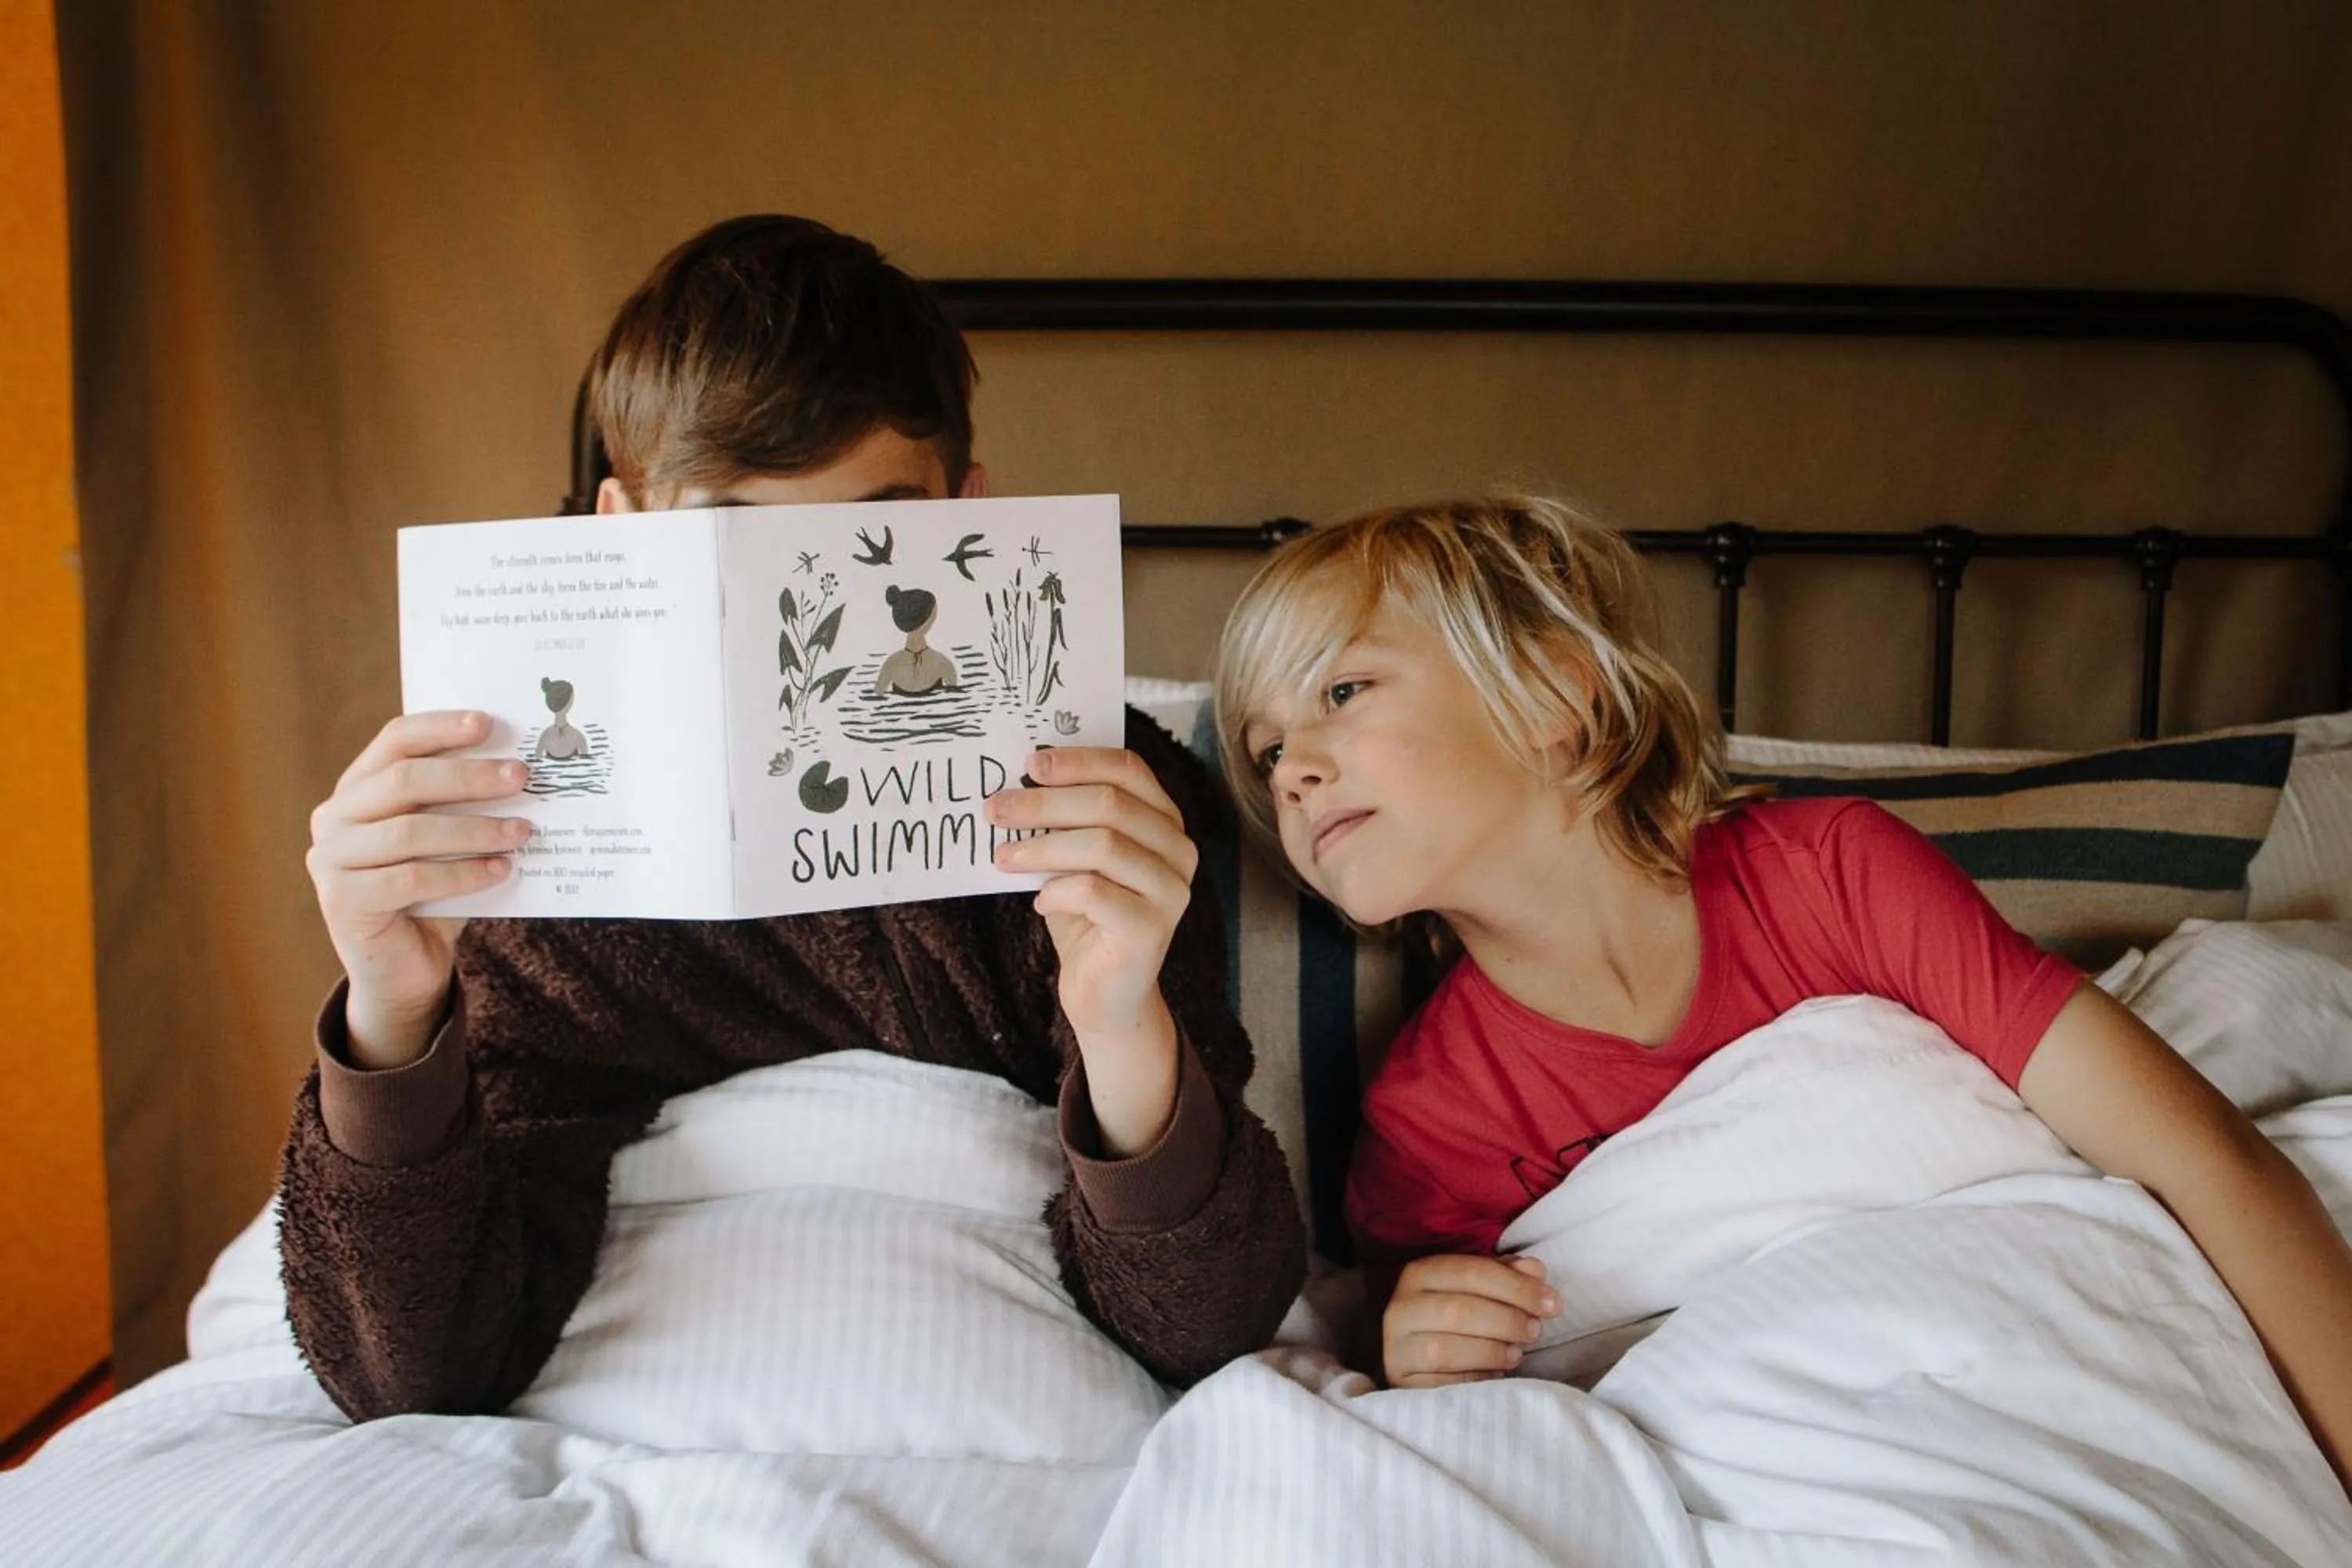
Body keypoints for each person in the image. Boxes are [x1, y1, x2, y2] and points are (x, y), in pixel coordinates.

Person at [285, 214, 1305, 1420]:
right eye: (731, 536)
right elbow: (409, 1368)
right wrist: (393, 1015)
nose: (807, 599)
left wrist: (1125, 1023)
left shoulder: (1100, 800)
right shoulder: (539, 839)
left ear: (970, 514)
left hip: (985, 1372)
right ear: (622, 534)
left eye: (869, 532)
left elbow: (1209, 1324)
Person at [1211, 493, 2352, 1484]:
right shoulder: (1431, 1120)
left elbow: (2200, 1155)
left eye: (1345, 691)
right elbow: (1467, 1425)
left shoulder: (1835, 876)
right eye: (1264, 753)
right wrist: (1420, 1351)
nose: (1293, 770)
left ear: (1555, 694)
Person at [873, 584, 960, 694]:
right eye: (934, 613)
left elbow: (878, 697)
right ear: (927, 620)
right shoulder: (943, 664)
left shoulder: (891, 664)